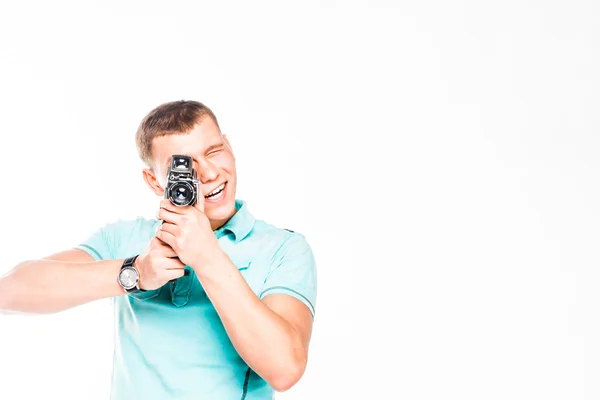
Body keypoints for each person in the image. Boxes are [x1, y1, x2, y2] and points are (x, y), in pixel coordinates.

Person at [0, 100, 318, 399]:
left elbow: (285, 369)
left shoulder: (283, 248)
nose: (208, 174)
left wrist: (208, 258)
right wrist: (135, 272)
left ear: (230, 147)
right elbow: (9, 293)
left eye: (214, 151)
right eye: (184, 166)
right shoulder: (125, 238)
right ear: (154, 181)